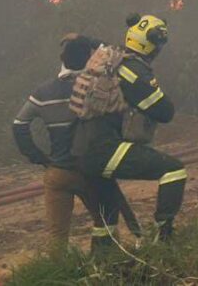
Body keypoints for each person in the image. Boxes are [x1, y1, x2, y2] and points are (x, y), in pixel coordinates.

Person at [11, 34, 131, 255]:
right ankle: (106, 265)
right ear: (89, 58)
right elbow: (117, 53)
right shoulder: (97, 88)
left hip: (58, 173)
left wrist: (38, 157)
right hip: (91, 172)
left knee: (57, 236)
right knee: (106, 224)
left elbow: (19, 124)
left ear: (61, 59)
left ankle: (58, 272)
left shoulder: (43, 92)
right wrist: (87, 39)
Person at [71, 13, 187, 241]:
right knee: (174, 170)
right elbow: (165, 112)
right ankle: (163, 239)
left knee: (106, 221)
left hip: (81, 152)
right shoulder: (134, 72)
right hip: (105, 150)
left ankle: (102, 258)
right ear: (152, 43)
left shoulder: (113, 60)